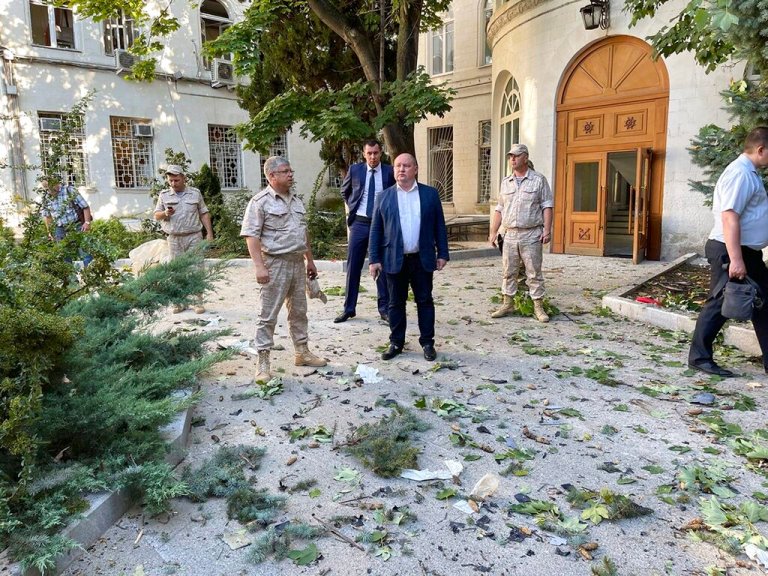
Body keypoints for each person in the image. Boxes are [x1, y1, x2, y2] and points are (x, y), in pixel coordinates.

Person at [688, 127, 768, 377]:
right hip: (730, 249)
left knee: (765, 303)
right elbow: (729, 216)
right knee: (720, 302)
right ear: (761, 150)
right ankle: (699, 358)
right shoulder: (740, 173)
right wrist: (735, 260)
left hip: (746, 251)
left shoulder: (750, 173)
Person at [240, 156, 328, 382]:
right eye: (286, 171)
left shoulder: (296, 201)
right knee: (267, 314)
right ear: (272, 176)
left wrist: (310, 260)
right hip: (275, 263)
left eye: (291, 171)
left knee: (299, 311)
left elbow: (303, 233)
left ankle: (302, 352)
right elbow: (251, 235)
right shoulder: (259, 202)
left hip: (297, 263)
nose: (291, 175)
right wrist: (259, 266)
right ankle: (263, 360)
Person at [368, 153, 449, 362]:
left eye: (406, 166)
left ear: (416, 169)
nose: (401, 169)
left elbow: (439, 225)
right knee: (395, 303)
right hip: (393, 259)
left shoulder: (430, 194)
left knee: (425, 301)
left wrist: (443, 253)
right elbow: (376, 231)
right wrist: (374, 259)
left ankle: (428, 343)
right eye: (397, 166)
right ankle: (396, 342)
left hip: (421, 259)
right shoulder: (383, 197)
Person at [488, 143, 553, 323]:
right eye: (510, 156)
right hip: (509, 234)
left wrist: (547, 230)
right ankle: (507, 303)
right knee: (509, 270)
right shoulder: (505, 182)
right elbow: (500, 208)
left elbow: (547, 205)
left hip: (531, 233)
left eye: (516, 156)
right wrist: (493, 232)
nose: (512, 159)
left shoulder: (538, 180)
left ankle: (538, 306)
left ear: (525, 157)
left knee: (534, 272)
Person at [335, 139, 396, 323]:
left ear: (381, 152)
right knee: (353, 266)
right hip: (359, 224)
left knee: (381, 266)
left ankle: (384, 309)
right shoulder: (355, 170)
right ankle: (349, 308)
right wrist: (353, 208)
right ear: (364, 154)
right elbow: (344, 191)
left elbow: (395, 194)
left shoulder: (388, 171)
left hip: (382, 225)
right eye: (369, 153)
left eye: (376, 153)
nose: (372, 157)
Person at [154, 164, 214, 314]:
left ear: (183, 178)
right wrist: (165, 214)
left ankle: (197, 301)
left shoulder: (195, 193)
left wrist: (209, 233)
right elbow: (156, 215)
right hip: (174, 238)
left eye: (176, 180)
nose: (173, 183)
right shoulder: (164, 195)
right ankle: (179, 302)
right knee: (177, 270)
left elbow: (204, 213)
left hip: (194, 236)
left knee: (197, 269)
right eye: (171, 180)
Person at [41, 176, 94, 265]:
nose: (51, 192)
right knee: (63, 254)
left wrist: (87, 223)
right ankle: (70, 277)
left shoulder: (69, 190)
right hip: (59, 227)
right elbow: (48, 216)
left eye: (52, 189)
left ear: (57, 184)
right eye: (48, 190)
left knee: (85, 250)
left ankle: (90, 273)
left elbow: (85, 207)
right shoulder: (46, 197)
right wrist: (50, 232)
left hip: (76, 224)